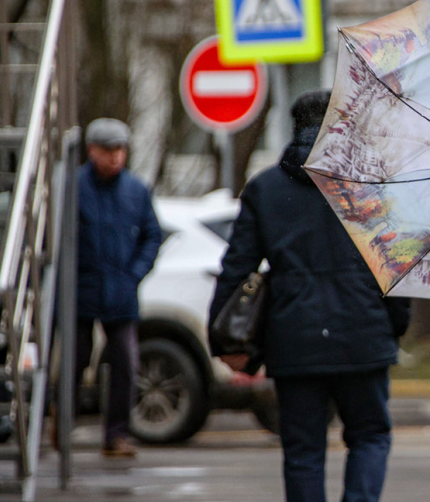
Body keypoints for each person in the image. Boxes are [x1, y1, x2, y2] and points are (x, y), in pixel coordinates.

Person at [209, 90, 411, 502]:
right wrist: (394, 324)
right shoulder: (373, 185)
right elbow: (396, 265)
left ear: (294, 127)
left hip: (294, 341)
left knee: (303, 451)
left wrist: (223, 336)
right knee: (370, 436)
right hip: (364, 335)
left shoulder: (265, 189)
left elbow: (236, 268)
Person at [76, 118, 161, 458]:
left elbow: (153, 235)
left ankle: (116, 435)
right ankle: (59, 422)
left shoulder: (136, 190)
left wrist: (135, 273)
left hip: (121, 292)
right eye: (108, 150)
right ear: (92, 150)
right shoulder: (71, 186)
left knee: (125, 363)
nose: (115, 156)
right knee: (74, 360)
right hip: (80, 291)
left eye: (120, 149)